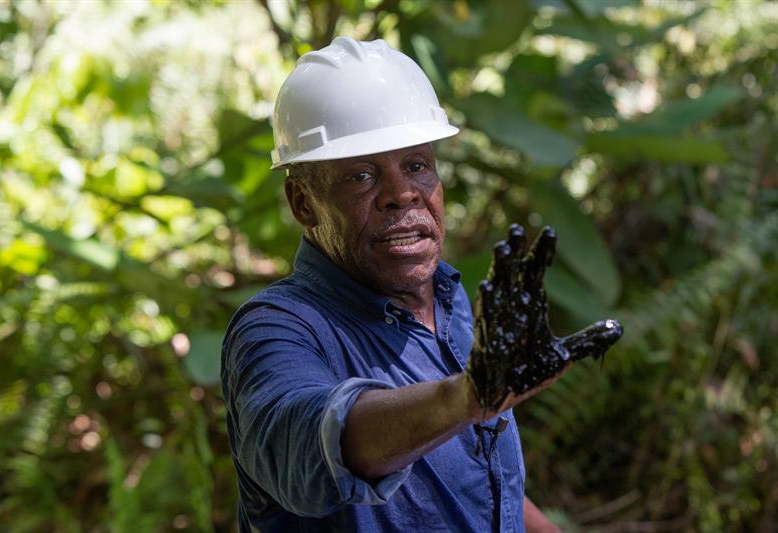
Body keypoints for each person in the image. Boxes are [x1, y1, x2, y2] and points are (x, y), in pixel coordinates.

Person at [221, 36, 622, 532]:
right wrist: (466, 399)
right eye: (362, 176)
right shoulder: (276, 330)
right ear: (303, 203)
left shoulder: (453, 307)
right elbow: (308, 446)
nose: (402, 193)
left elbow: (480, 488)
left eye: (416, 166)